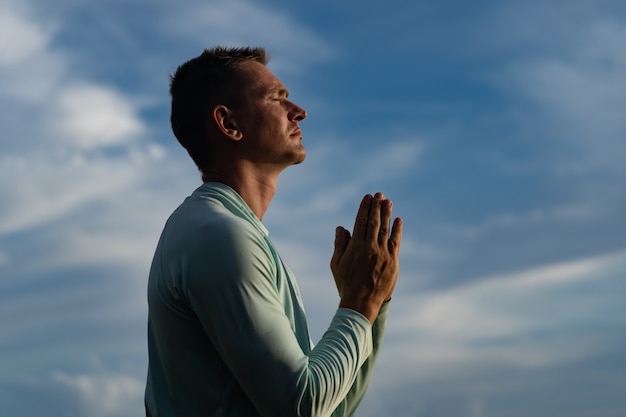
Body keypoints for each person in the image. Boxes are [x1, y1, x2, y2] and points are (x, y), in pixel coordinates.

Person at [144, 46, 403, 417]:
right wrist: (360, 302)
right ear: (228, 124)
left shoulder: (226, 231)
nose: (299, 111)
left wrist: (373, 302)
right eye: (276, 98)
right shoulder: (219, 236)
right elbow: (300, 406)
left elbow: (331, 406)